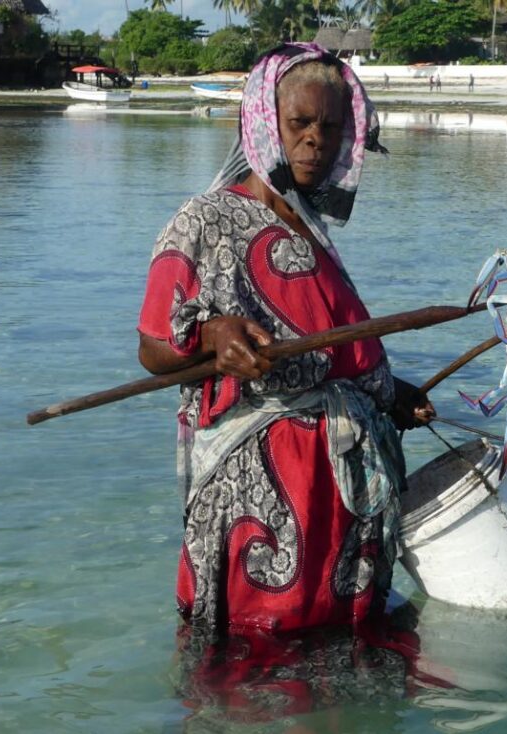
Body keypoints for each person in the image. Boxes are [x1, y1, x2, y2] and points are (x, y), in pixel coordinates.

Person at [137, 43, 435, 639]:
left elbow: (325, 353)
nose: (315, 140)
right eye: (299, 123)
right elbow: (153, 350)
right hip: (260, 498)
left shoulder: (312, 234)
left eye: (329, 126)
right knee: (250, 671)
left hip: (341, 500)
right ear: (264, 123)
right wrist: (212, 336)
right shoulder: (206, 220)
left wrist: (387, 393)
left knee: (339, 666)